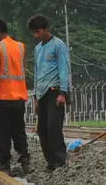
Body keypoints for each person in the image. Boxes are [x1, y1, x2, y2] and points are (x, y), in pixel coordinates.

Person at [0, 19, 32, 175]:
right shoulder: (20, 47)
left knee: (2, 132)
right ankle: (25, 160)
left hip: (2, 98)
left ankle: (5, 165)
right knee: (19, 131)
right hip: (19, 97)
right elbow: (23, 69)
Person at [29, 14, 70, 172]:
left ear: (47, 29)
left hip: (54, 91)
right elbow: (37, 72)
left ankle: (60, 159)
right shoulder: (38, 48)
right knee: (42, 129)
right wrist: (36, 97)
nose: (36, 35)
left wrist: (62, 93)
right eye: (34, 32)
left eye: (38, 31)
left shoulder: (58, 45)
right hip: (42, 93)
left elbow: (64, 69)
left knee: (54, 127)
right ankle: (50, 161)